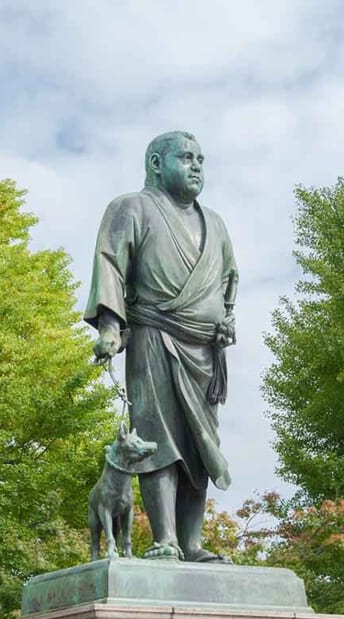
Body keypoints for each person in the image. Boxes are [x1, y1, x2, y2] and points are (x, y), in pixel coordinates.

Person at [84, 131, 238, 562]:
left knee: (200, 444)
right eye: (185, 157)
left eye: (201, 160)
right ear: (155, 163)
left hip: (205, 350)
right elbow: (111, 264)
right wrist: (111, 328)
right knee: (158, 437)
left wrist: (226, 321)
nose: (195, 167)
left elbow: (228, 281)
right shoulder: (130, 208)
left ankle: (192, 542)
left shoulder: (216, 223)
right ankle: (165, 539)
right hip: (154, 335)